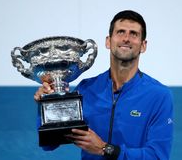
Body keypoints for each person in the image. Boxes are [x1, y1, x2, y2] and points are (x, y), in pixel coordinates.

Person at [34, 10, 174, 160]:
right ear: (108, 41)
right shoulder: (87, 89)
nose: (126, 38)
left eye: (133, 34)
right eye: (120, 32)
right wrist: (47, 104)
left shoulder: (159, 96)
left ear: (143, 45)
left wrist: (104, 149)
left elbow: (157, 156)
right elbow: (49, 144)